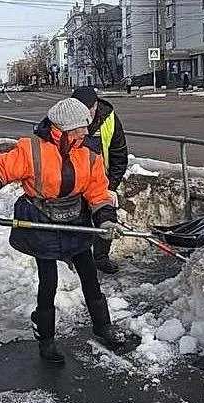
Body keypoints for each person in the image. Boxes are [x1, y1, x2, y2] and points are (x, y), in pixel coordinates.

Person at [0, 98, 131, 363]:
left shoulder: (88, 152)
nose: (85, 133)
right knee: (49, 282)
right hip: (41, 220)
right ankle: (46, 338)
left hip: (75, 220)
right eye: (80, 128)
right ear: (63, 128)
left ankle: (103, 326)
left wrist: (105, 220)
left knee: (90, 276)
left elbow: (98, 192)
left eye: (86, 128)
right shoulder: (31, 149)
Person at [71, 86, 128, 274]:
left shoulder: (109, 119)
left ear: (96, 105)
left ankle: (101, 257)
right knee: (76, 219)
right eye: (80, 110)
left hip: (101, 180)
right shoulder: (66, 117)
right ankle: (75, 257)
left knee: (105, 218)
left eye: (89, 109)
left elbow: (119, 155)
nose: (85, 115)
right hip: (74, 180)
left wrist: (110, 186)